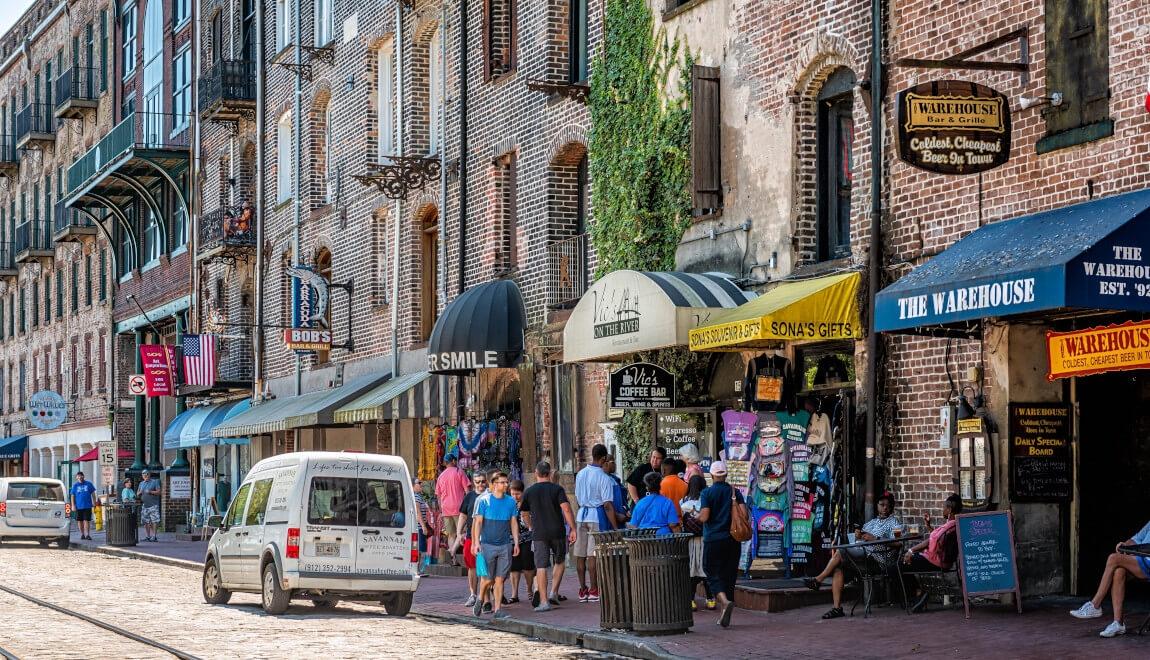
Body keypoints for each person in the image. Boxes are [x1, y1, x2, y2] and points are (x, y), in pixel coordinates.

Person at [805, 492, 904, 619]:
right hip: (863, 557)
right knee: (838, 567)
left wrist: (875, 538)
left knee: (841, 552)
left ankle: (818, 580)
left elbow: (898, 542)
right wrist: (859, 536)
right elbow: (858, 542)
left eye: (888, 505)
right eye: (882, 505)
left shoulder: (894, 523)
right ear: (877, 506)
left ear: (891, 508)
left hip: (878, 560)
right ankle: (837, 608)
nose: (885, 508)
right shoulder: (871, 523)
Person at [1070, 519, 1150, 637]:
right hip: (1143, 561)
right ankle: (1118, 623)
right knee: (1119, 571)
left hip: (1147, 562)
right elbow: (1137, 538)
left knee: (1114, 558)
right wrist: (1125, 544)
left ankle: (1095, 605)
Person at [521, 461, 577, 612]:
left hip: (539, 533)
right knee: (559, 561)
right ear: (549, 473)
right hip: (557, 530)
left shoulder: (529, 491)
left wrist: (530, 525)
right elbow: (566, 508)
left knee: (541, 566)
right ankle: (554, 592)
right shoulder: (557, 489)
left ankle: (544, 601)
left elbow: (524, 512)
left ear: (536, 473)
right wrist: (573, 528)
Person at [697, 461, 745, 628]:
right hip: (733, 540)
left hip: (713, 539)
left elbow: (704, 517)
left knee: (711, 571)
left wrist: (695, 515)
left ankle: (724, 602)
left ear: (711, 475)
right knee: (729, 575)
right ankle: (726, 611)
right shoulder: (735, 492)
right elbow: (744, 514)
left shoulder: (707, 493)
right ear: (725, 475)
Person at [471, 470, 520, 620]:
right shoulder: (483, 501)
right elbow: (477, 523)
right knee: (488, 579)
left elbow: (513, 522)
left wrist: (516, 542)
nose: (506, 485)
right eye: (502, 482)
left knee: (500, 579)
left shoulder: (511, 502)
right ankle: (480, 598)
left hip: (505, 545)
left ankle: (498, 609)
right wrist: (476, 543)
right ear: (493, 484)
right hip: (487, 544)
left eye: (507, 482)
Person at [902, 493, 962, 613]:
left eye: (944, 507)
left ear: (949, 509)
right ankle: (918, 594)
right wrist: (929, 526)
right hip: (937, 559)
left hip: (936, 561)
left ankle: (917, 595)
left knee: (899, 566)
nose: (942, 510)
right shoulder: (953, 525)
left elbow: (931, 541)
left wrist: (911, 550)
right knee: (901, 563)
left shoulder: (950, 526)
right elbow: (938, 539)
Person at [574, 444, 618, 603]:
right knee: (592, 553)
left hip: (581, 514)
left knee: (580, 553)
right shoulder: (604, 478)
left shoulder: (580, 474)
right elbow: (607, 505)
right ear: (604, 458)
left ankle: (582, 589)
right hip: (595, 515)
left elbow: (578, 498)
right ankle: (594, 589)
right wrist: (614, 527)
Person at [680, 474, 716, 611]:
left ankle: (691, 600)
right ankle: (710, 599)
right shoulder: (706, 500)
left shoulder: (682, 501)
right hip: (705, 539)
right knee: (705, 569)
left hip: (689, 540)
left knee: (692, 570)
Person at [459, 472, 489, 609]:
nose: (480, 484)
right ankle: (473, 594)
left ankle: (488, 597)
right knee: (471, 567)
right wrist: (459, 532)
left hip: (488, 537)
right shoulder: (469, 496)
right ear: (473, 482)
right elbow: (463, 515)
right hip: (472, 537)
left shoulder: (490, 496)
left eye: (483, 481)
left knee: (487, 568)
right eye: (477, 482)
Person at [436, 453, 471, 563]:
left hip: (446, 508)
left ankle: (454, 559)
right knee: (462, 532)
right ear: (453, 461)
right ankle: (453, 550)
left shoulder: (441, 476)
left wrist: (441, 510)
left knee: (451, 534)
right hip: (459, 507)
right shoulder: (459, 472)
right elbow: (467, 491)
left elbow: (438, 495)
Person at [507, 480, 537, 604]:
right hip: (511, 539)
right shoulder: (507, 504)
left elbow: (531, 522)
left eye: (518, 494)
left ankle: (530, 590)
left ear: (522, 493)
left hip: (527, 538)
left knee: (528, 566)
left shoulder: (527, 504)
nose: (515, 497)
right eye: (513, 494)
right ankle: (514, 594)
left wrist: (526, 516)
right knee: (514, 567)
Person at [629, 472, 680, 536]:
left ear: (647, 488)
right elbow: (673, 525)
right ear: (660, 485)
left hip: (644, 539)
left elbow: (633, 525)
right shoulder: (667, 502)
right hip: (664, 539)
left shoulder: (640, 503)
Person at [601, 456, 629, 529]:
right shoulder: (602, 480)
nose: (615, 465)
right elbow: (604, 504)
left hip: (620, 519)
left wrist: (626, 510)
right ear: (606, 464)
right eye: (613, 462)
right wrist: (616, 515)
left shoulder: (615, 480)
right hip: (608, 520)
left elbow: (623, 499)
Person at [69, 472, 98, 540]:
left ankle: (87, 534)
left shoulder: (88, 484)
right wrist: (73, 505)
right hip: (79, 506)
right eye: (78, 476)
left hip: (87, 505)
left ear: (83, 476)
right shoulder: (75, 486)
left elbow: (93, 493)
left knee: (86, 520)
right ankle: (82, 534)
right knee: (80, 521)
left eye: (81, 476)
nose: (80, 477)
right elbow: (72, 496)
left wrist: (94, 502)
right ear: (77, 477)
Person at [413, 478, 433, 574]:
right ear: (413, 485)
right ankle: (417, 570)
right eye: (418, 483)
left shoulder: (418, 496)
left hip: (420, 526)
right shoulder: (416, 497)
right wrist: (423, 526)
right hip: (419, 527)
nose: (421, 484)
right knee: (420, 549)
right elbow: (418, 513)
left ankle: (418, 570)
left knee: (420, 549)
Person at [137, 470, 162, 542]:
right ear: (142, 476)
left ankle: (154, 536)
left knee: (154, 520)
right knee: (145, 521)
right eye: (144, 474)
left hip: (153, 505)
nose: (145, 476)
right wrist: (139, 493)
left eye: (147, 474)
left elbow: (159, 492)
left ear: (149, 475)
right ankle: (148, 536)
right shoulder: (141, 483)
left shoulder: (155, 482)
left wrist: (150, 491)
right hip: (145, 505)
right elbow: (137, 493)